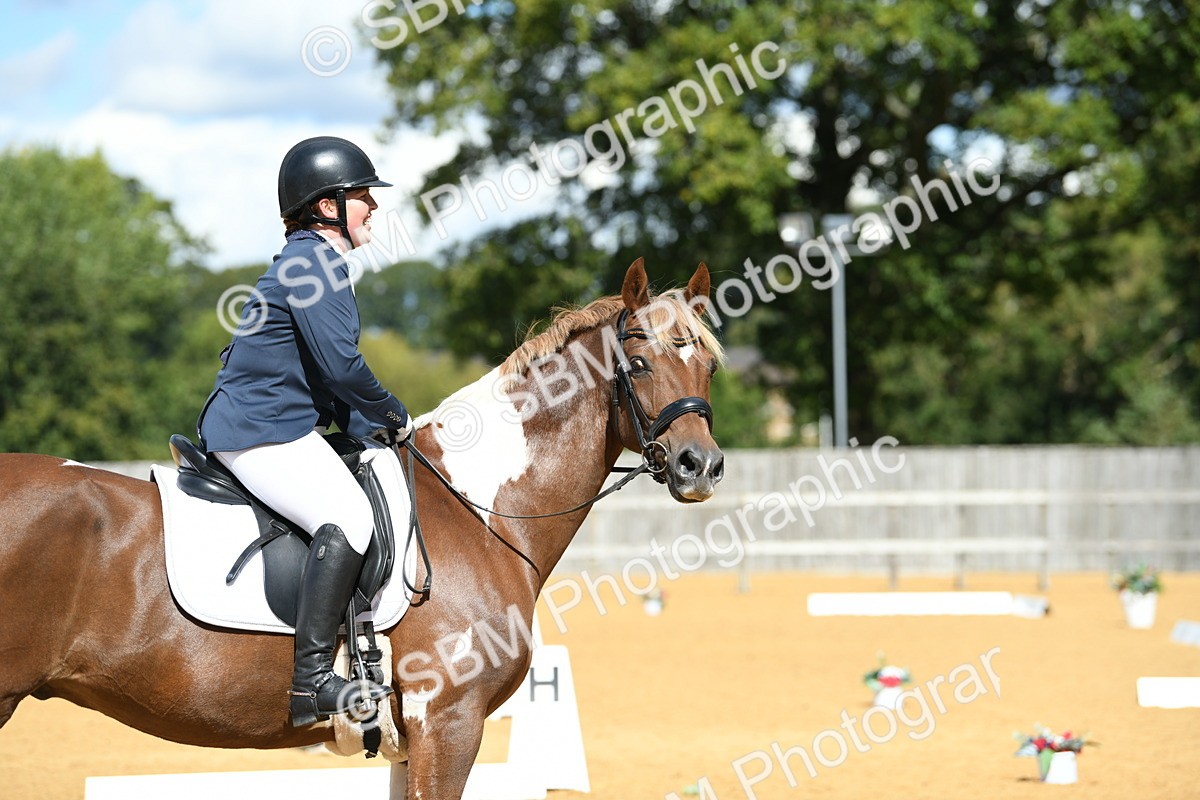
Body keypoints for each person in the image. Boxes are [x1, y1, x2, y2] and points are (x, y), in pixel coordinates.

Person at [197, 136, 409, 727]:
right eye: (362, 195)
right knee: (350, 516)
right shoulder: (313, 264)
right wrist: (392, 413)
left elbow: (324, 372)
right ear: (326, 207)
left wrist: (367, 426)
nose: (373, 206)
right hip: (262, 429)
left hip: (273, 421)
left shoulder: (310, 261)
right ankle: (311, 679)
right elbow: (342, 366)